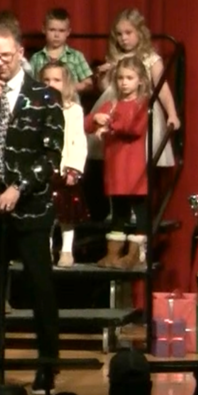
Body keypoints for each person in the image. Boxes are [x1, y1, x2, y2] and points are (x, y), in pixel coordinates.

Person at [0, 11, 63, 395]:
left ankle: (47, 366)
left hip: (31, 208)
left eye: (6, 56)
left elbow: (51, 156)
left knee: (40, 287)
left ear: (21, 52)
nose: (0, 62)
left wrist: (19, 187)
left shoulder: (44, 97)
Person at [91, 7, 179, 166]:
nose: (123, 38)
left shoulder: (150, 58)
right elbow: (106, 88)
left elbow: (162, 89)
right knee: (114, 151)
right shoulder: (114, 58)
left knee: (140, 153)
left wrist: (172, 114)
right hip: (116, 105)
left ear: (140, 32)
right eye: (119, 34)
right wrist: (102, 76)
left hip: (139, 107)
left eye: (128, 32)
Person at [87, 55, 150, 270]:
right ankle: (113, 253)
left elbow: (134, 128)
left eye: (129, 78)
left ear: (140, 80)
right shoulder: (112, 104)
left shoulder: (142, 104)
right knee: (119, 210)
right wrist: (96, 119)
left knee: (139, 209)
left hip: (134, 167)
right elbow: (87, 124)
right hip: (115, 166)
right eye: (121, 78)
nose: (124, 82)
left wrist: (110, 125)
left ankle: (135, 253)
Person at [40, 61, 88, 267]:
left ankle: (67, 250)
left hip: (65, 169)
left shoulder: (73, 110)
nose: (51, 84)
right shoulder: (37, 108)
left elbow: (78, 141)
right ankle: (45, 249)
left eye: (56, 80)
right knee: (45, 213)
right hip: (44, 170)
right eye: (46, 80)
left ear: (66, 83)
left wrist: (73, 169)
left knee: (66, 213)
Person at [28, 8, 92, 94]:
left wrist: (70, 88)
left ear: (68, 32)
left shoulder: (76, 56)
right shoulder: (36, 58)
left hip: (70, 100)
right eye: (52, 30)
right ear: (44, 29)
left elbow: (88, 84)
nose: (56, 35)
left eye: (61, 31)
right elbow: (29, 84)